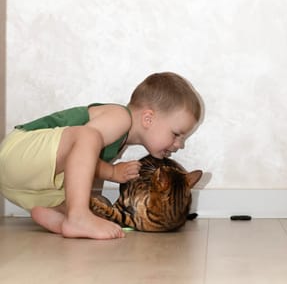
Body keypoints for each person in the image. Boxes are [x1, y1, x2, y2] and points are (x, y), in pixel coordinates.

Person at [0, 72, 203, 240]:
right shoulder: (120, 117)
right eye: (176, 134)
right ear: (148, 118)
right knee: (88, 136)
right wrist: (112, 172)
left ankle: (60, 215)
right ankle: (77, 217)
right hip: (18, 153)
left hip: (26, 186)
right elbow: (81, 142)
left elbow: (79, 165)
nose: (179, 145)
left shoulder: (114, 141)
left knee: (99, 202)